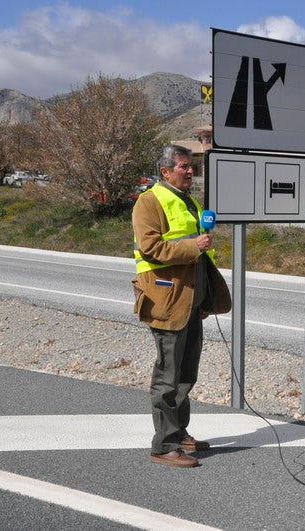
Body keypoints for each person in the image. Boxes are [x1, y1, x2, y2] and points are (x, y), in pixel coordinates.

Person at [132, 145, 231, 468]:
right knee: (167, 377)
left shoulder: (188, 201)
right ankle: (164, 445)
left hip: (191, 300)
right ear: (165, 172)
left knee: (186, 374)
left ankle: (180, 432)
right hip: (167, 301)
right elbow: (150, 247)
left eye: (191, 167)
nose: (191, 172)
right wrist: (194, 246)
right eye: (184, 167)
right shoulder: (149, 202)